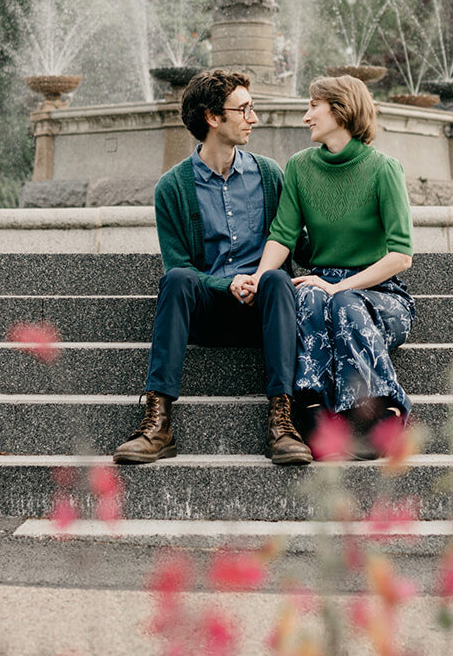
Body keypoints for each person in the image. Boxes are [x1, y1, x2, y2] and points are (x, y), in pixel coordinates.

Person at [113, 68, 312, 466]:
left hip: (265, 312)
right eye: (244, 109)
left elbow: (296, 245)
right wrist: (227, 285)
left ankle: (282, 420)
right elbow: (179, 264)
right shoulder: (173, 187)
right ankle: (158, 421)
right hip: (206, 313)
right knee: (177, 278)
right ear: (212, 117)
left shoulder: (270, 174)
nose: (253, 118)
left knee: (276, 277)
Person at [248, 74, 414, 456]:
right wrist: (259, 277)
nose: (306, 115)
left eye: (313, 106)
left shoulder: (383, 168)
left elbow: (401, 255)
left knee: (342, 302)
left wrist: (342, 286)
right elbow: (283, 234)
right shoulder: (300, 167)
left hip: (381, 294)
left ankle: (382, 414)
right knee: (307, 297)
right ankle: (312, 413)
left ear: (340, 110)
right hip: (323, 286)